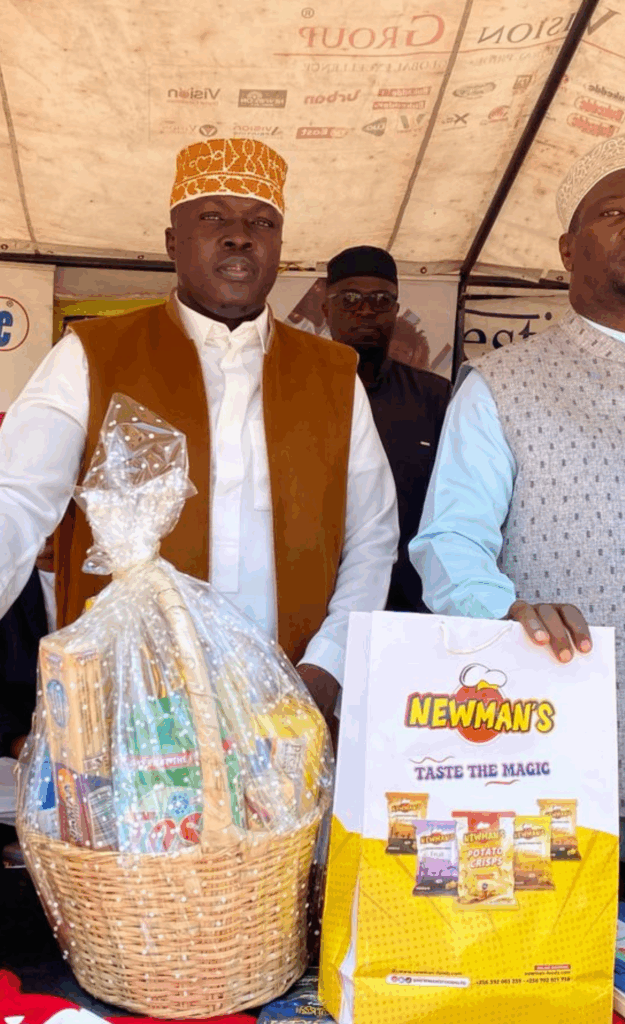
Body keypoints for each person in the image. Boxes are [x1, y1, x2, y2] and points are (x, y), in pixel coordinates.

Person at [0, 138, 398, 732]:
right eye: (213, 217)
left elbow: (372, 534)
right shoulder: (92, 354)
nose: (240, 235)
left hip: (287, 709)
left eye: (261, 222)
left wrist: (329, 665)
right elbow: (15, 499)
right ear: (172, 242)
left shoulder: (334, 375)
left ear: (279, 249)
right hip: (128, 708)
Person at [410, 135, 625, 859]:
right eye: (614, 212)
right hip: (566, 768)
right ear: (566, 249)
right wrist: (503, 613)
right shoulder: (501, 387)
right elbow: (450, 543)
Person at [322, 246, 450, 612]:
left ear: (395, 311)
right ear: (325, 309)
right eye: (350, 299)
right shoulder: (295, 391)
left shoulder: (434, 396)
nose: (366, 310)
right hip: (317, 599)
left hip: (410, 605)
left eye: (381, 300)